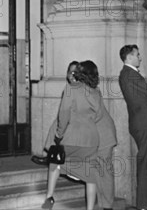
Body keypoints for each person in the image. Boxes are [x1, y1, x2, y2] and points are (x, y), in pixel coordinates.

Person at [41, 60, 103, 210]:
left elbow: (63, 116)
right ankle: (89, 208)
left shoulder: (70, 89)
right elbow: (98, 116)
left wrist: (58, 135)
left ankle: (49, 197)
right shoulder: (97, 92)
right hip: (92, 140)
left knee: (55, 161)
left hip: (72, 137)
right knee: (91, 175)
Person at [119, 44, 147, 210]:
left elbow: (141, 95)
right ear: (129, 57)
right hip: (143, 124)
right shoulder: (130, 74)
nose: (140, 57)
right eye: (137, 54)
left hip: (142, 122)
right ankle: (145, 204)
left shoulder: (129, 74)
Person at [31, 61, 79, 166]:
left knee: (59, 124)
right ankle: (50, 155)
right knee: (57, 123)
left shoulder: (74, 88)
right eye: (70, 72)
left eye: (75, 72)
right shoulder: (70, 88)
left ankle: (51, 156)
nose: (71, 75)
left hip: (80, 124)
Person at [93, 61, 117, 210]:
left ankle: (107, 206)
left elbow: (92, 116)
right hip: (100, 136)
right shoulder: (92, 90)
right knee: (99, 171)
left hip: (104, 137)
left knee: (105, 172)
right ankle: (103, 204)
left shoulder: (92, 92)